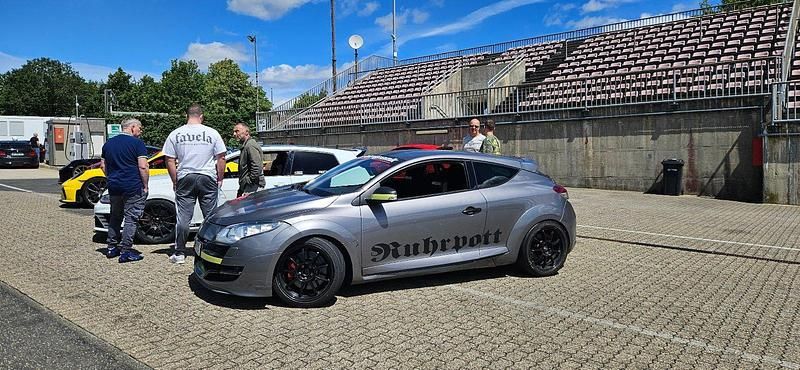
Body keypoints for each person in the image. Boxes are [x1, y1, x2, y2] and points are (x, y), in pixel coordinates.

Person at [162, 104, 227, 264]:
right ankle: (211, 250)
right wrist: (219, 178)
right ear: (201, 116)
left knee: (183, 216)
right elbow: (221, 158)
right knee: (210, 216)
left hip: (185, 176)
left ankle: (179, 252)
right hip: (207, 176)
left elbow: (169, 160)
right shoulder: (212, 133)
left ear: (187, 116)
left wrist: (175, 180)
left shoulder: (175, 134)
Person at [101, 118, 149, 263]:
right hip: (132, 186)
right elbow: (143, 166)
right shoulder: (137, 144)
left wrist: (111, 178)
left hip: (114, 186)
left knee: (115, 216)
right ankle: (126, 251)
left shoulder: (108, 144)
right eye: (139, 129)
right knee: (131, 218)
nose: (140, 132)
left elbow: (103, 166)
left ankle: (111, 247)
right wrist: (145, 185)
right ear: (133, 127)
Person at [233, 123, 265, 197]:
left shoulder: (250, 145)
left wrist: (249, 181)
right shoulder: (246, 145)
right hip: (248, 187)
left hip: (252, 187)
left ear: (247, 132)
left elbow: (256, 167)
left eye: (237, 131)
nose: (234, 134)